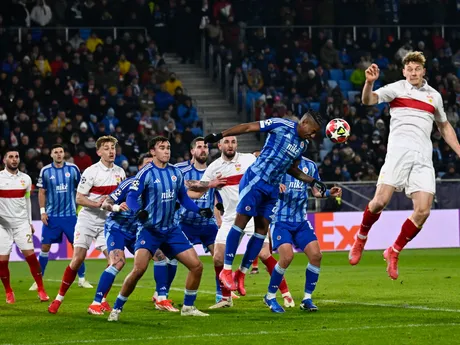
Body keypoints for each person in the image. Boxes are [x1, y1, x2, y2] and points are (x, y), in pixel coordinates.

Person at [349, 51, 460, 280]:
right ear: (404, 71)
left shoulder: (434, 97)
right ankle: (361, 237)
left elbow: (445, 127)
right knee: (379, 202)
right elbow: (367, 101)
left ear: (423, 71)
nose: (413, 73)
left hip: (422, 158)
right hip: (398, 154)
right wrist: (369, 83)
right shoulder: (396, 88)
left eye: (417, 69)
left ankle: (394, 250)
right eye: (409, 69)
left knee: (423, 210)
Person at [204, 114, 327, 294]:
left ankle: (241, 273)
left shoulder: (303, 144)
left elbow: (292, 169)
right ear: (305, 123)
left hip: (271, 188)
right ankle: (227, 270)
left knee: (261, 232)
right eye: (313, 131)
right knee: (241, 222)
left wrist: (312, 181)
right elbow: (247, 127)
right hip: (256, 180)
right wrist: (220, 135)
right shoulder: (280, 124)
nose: (313, 136)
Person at [107, 136, 214, 321]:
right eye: (162, 147)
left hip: (172, 230)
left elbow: (184, 197)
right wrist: (137, 211)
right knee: (139, 270)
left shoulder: (175, 172)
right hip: (150, 230)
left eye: (168, 147)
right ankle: (117, 308)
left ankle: (188, 307)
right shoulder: (145, 173)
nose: (166, 151)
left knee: (196, 266)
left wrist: (199, 210)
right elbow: (131, 197)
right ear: (153, 151)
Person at [188, 136, 296, 308]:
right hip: (231, 218)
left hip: (254, 214)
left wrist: (277, 182)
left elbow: (268, 169)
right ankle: (225, 299)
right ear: (220, 145)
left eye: (234, 142)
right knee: (217, 258)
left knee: (264, 254)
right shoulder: (214, 167)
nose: (230, 145)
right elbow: (197, 191)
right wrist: (208, 185)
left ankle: (285, 293)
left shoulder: (249, 159)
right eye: (227, 142)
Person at [48, 136, 126, 314]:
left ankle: (100, 300)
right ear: (99, 152)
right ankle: (58, 299)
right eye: (106, 148)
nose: (111, 151)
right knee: (77, 259)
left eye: (113, 147)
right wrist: (99, 204)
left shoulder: (120, 172)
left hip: (108, 222)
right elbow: (79, 198)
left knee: (114, 261)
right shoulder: (91, 172)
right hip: (88, 220)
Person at [264, 157, 342, 313]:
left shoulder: (310, 165)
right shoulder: (279, 162)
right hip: (280, 221)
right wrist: (273, 187)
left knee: (316, 256)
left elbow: (316, 191)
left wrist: (328, 193)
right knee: (287, 257)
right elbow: (264, 185)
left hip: (301, 221)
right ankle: (270, 296)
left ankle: (307, 298)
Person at [157, 137, 225, 306]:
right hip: (185, 222)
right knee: (171, 258)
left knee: (219, 258)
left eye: (206, 147)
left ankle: (222, 295)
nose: (203, 150)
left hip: (207, 223)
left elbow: (216, 196)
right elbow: (180, 191)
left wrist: (218, 216)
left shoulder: (214, 170)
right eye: (200, 147)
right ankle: (161, 294)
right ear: (192, 151)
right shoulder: (181, 169)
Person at [87, 153, 153, 315]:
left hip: (137, 231)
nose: (149, 169)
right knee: (118, 263)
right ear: (139, 169)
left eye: (152, 165)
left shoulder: (155, 188)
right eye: (146, 165)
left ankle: (161, 296)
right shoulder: (129, 184)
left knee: (160, 257)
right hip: (117, 228)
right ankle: (96, 303)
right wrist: (116, 207)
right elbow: (106, 203)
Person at [30, 144, 92, 291]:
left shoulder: (73, 169)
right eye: (56, 152)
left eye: (61, 152)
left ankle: (82, 279)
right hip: (52, 216)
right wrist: (43, 211)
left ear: (64, 154)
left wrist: (81, 207)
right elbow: (41, 192)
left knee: (77, 246)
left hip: (70, 216)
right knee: (45, 247)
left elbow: (81, 189)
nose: (58, 154)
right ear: (51, 154)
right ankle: (39, 280)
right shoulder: (45, 171)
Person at [0, 149, 49, 303]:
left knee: (31, 257)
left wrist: (29, 222)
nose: (14, 159)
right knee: (2, 261)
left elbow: (27, 202)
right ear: (4, 160)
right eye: (11, 157)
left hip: (21, 224)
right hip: (3, 226)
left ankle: (41, 289)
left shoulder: (26, 179)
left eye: (16, 157)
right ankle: (8, 291)